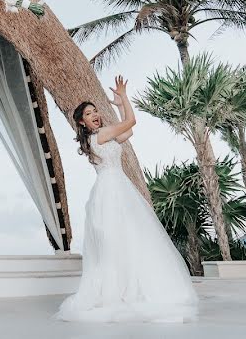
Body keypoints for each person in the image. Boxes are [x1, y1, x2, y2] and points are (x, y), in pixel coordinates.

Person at [55, 76, 198, 323]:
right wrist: (124, 97)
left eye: (96, 111)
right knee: (122, 237)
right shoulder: (100, 136)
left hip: (112, 188)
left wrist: (120, 105)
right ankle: (120, 291)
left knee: (124, 238)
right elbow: (132, 121)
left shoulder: (101, 136)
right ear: (82, 121)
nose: (96, 115)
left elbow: (128, 130)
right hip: (112, 191)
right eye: (89, 114)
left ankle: (125, 288)